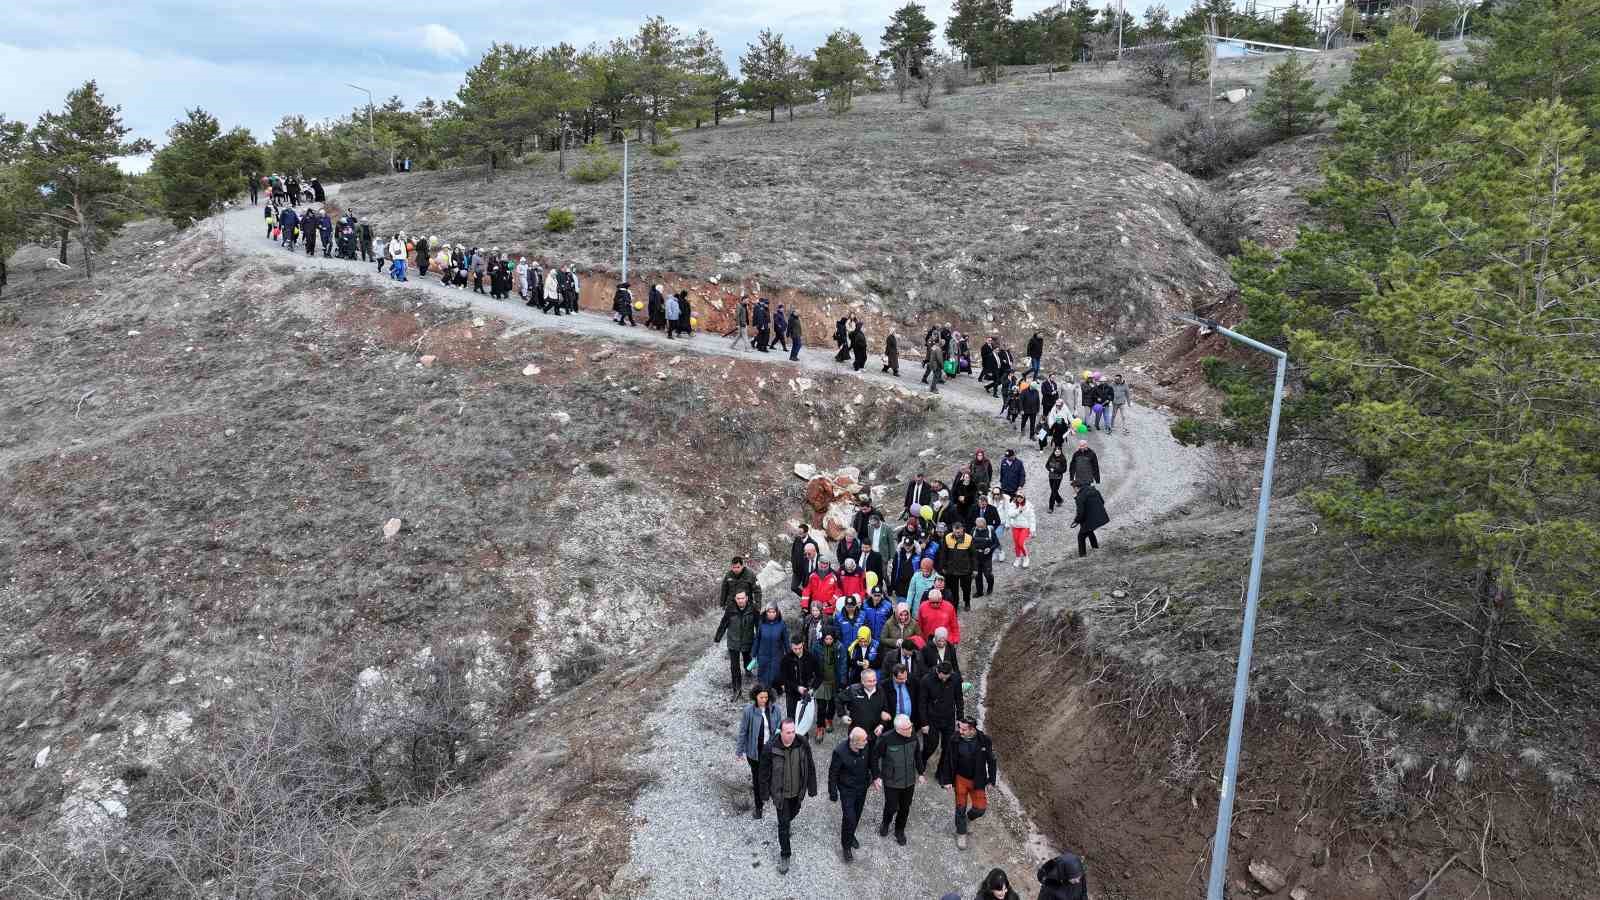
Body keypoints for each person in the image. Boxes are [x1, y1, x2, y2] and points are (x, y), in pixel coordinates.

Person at [758, 718, 817, 874]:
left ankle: (788, 822)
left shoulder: (802, 743)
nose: (791, 735)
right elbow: (763, 773)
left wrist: (812, 787)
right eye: (787, 732)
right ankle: (785, 854)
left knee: (793, 814)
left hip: (797, 793)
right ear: (781, 732)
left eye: (793, 731)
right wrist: (764, 794)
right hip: (780, 795)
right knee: (783, 824)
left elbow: (810, 765)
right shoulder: (770, 748)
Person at [938, 716, 998, 850]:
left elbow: (992, 760)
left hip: (978, 780)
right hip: (960, 780)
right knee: (960, 808)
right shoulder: (955, 739)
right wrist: (947, 780)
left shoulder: (984, 740)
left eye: (964, 729)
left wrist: (992, 780)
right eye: (960, 727)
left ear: (972, 729)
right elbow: (947, 760)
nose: (960, 731)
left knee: (980, 809)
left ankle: (966, 820)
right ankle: (961, 833)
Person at [871, 713, 923, 845]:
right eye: (907, 728)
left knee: (905, 807)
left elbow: (917, 755)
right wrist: (876, 776)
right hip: (891, 781)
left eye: (911, 726)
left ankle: (899, 830)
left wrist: (921, 772)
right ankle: (886, 823)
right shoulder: (886, 739)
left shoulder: (912, 735)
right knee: (891, 806)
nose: (911, 730)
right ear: (898, 729)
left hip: (909, 781)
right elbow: (874, 756)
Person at [737, 684, 782, 819]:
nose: (764, 700)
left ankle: (770, 795)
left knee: (771, 776)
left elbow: (779, 727)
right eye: (761, 697)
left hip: (771, 751)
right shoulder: (748, 711)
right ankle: (759, 807)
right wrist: (739, 751)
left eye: (766, 697)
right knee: (757, 780)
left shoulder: (775, 710)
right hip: (755, 752)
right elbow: (743, 732)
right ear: (755, 696)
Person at [827, 726, 871, 862]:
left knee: (857, 814)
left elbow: (871, 762)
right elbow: (833, 773)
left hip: (862, 787)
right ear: (855, 742)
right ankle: (846, 847)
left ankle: (851, 835)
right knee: (849, 817)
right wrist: (832, 791)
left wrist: (875, 777)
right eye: (864, 740)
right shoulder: (840, 752)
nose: (867, 742)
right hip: (847, 790)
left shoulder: (865, 747)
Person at [919, 661, 962, 775]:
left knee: (948, 746)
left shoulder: (955, 678)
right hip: (932, 718)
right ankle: (922, 759)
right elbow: (922, 703)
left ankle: (941, 772)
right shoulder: (926, 680)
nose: (944, 680)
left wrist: (960, 717)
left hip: (948, 718)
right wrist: (924, 723)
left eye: (947, 678)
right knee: (931, 744)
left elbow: (959, 698)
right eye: (942, 677)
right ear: (938, 671)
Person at [715, 591, 758, 700]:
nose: (740, 600)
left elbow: (759, 626)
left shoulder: (753, 609)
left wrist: (759, 640)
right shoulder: (730, 609)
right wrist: (717, 638)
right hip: (733, 642)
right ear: (735, 599)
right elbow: (723, 623)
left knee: (748, 660)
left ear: (747, 598)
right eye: (738, 598)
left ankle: (748, 670)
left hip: (748, 641)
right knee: (734, 667)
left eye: (742, 598)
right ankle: (737, 689)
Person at [778, 634, 822, 722]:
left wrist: (813, 688)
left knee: (804, 718)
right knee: (792, 716)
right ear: (791, 646)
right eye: (795, 649)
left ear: (803, 645)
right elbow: (783, 679)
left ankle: (803, 735)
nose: (798, 651)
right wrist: (797, 687)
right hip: (791, 693)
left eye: (800, 648)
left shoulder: (811, 657)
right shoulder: (785, 659)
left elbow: (819, 675)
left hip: (807, 693)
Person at [840, 667, 891, 741]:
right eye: (869, 681)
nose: (873, 684)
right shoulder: (853, 690)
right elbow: (838, 699)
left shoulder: (881, 691)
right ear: (862, 681)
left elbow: (885, 710)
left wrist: (881, 726)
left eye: (874, 680)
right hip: (856, 733)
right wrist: (843, 715)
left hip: (874, 734)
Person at [812, 628, 842, 741]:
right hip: (821, 681)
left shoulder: (839, 647)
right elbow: (813, 661)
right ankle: (820, 727)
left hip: (834, 680)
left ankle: (829, 719)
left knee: (833, 703)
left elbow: (843, 663)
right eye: (826, 638)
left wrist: (842, 680)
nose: (828, 640)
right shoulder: (816, 646)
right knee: (821, 706)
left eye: (830, 638)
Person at [753, 603, 790, 689]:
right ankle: (763, 691)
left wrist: (789, 654)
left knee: (776, 674)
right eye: (769, 612)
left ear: (777, 612)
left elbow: (786, 640)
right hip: (763, 654)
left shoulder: (781, 624)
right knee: (763, 675)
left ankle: (776, 690)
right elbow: (757, 639)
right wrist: (754, 653)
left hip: (777, 655)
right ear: (766, 612)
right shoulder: (761, 623)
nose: (771, 614)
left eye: (773, 612)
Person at [942, 522, 976, 611]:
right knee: (953, 590)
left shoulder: (968, 538)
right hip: (952, 570)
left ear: (963, 530)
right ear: (953, 530)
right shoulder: (947, 537)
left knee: (966, 588)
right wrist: (943, 567)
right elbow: (944, 553)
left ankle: (967, 602)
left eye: (959, 532)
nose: (957, 534)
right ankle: (955, 606)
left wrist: (975, 569)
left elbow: (973, 555)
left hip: (965, 569)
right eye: (956, 532)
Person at [1071, 480, 1109, 558]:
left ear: (1076, 488)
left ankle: (1082, 555)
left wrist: (1076, 521)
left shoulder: (1080, 497)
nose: (1073, 490)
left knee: (1081, 536)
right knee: (1089, 531)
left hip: (1090, 519)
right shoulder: (1093, 490)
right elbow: (1102, 501)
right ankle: (1095, 548)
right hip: (1099, 516)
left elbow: (1080, 513)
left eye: (1073, 488)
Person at [1005, 493, 1036, 568]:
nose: (1019, 498)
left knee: (1021, 543)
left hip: (1025, 527)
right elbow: (1010, 515)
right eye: (1018, 497)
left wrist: (1032, 530)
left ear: (1024, 498)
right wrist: (1018, 510)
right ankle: (1018, 557)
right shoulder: (1012, 505)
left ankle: (1026, 557)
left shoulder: (1028, 505)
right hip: (1015, 527)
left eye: (1021, 497)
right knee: (1016, 544)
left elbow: (1032, 518)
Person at [971, 515, 997, 599]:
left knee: (988, 574)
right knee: (977, 575)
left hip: (987, 557)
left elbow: (996, 543)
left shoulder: (990, 531)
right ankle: (979, 592)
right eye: (977, 526)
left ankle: (990, 587)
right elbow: (970, 542)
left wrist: (990, 549)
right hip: (976, 557)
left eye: (980, 527)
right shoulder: (973, 530)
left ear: (984, 524)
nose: (979, 528)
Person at [789, 525, 819, 595]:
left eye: (801, 532)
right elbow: (793, 552)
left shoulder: (813, 543)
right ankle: (805, 598)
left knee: (806, 587)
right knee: (793, 587)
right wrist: (793, 563)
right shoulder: (797, 539)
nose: (799, 534)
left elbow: (816, 557)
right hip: (796, 570)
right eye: (798, 532)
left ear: (806, 533)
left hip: (806, 572)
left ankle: (808, 600)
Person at [1045, 446, 1069, 513]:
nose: (1057, 453)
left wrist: (1055, 470)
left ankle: (1051, 507)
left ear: (1061, 452)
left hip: (1058, 477)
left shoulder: (1063, 459)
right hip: (1051, 477)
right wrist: (1050, 469)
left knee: (1053, 492)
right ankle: (1059, 500)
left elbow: (1064, 469)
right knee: (1053, 490)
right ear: (1054, 451)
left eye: (1059, 452)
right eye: (1056, 452)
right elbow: (1047, 465)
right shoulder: (1051, 457)